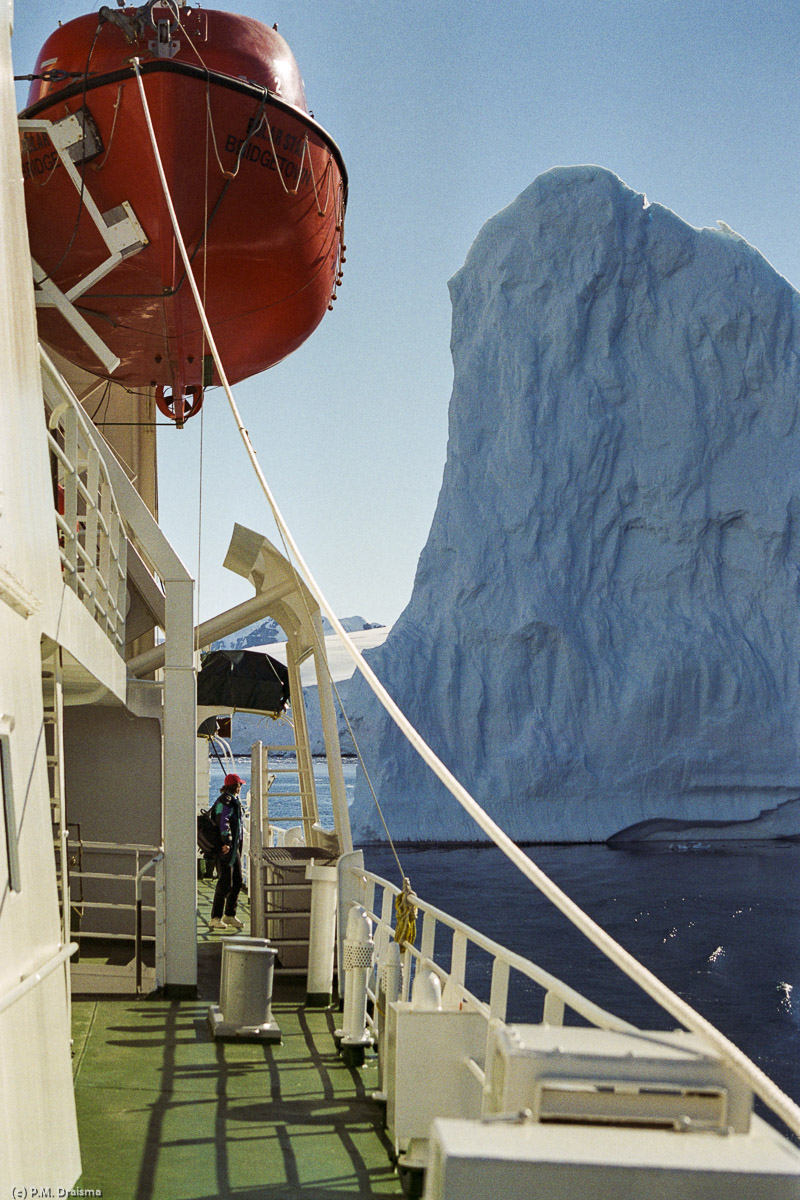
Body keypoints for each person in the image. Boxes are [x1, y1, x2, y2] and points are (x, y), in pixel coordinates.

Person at [209, 773, 246, 931]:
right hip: (227, 848)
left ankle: (229, 914)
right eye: (239, 785)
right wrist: (226, 842)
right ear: (235, 786)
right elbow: (223, 821)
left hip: (234, 847)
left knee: (237, 881)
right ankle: (215, 917)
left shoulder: (231, 800)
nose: (240, 787)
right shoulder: (226, 801)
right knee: (225, 882)